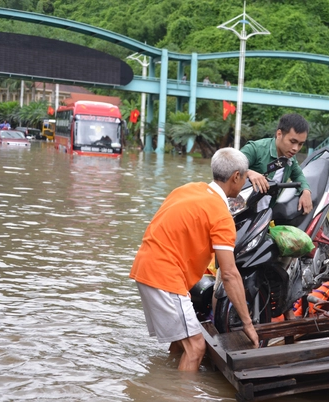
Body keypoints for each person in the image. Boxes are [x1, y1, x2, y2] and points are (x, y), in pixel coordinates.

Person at [129, 148, 259, 372]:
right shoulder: (221, 215)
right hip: (165, 276)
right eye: (246, 176)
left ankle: (164, 383)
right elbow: (229, 274)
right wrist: (248, 324)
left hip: (145, 266)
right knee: (196, 347)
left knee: (182, 341)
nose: (245, 180)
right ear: (236, 176)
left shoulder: (188, 189)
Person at [240, 113, 313, 215]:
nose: (296, 148)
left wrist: (306, 191)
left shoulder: (291, 159)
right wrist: (248, 172)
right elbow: (228, 166)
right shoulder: (255, 149)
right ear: (279, 134)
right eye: (292, 141)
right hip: (240, 211)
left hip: (265, 216)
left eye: (300, 144)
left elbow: (298, 175)